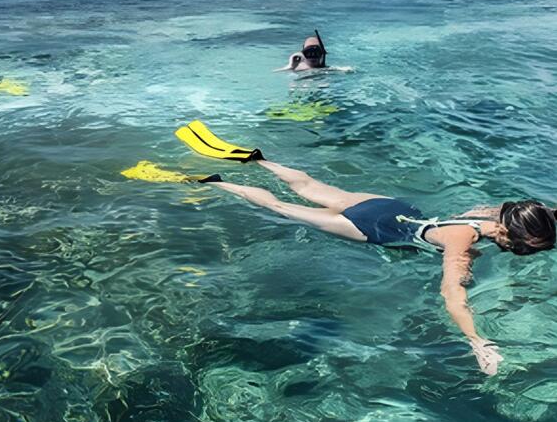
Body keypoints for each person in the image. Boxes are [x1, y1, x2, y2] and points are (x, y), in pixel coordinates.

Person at [171, 121, 556, 376]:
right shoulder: (463, 241)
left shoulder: (498, 212)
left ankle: (259, 160)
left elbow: (544, 214)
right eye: (529, 246)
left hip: (394, 207)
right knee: (283, 208)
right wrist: (478, 342)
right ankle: (215, 182)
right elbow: (451, 294)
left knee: (307, 185)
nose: (530, 250)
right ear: (512, 236)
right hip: (377, 227)